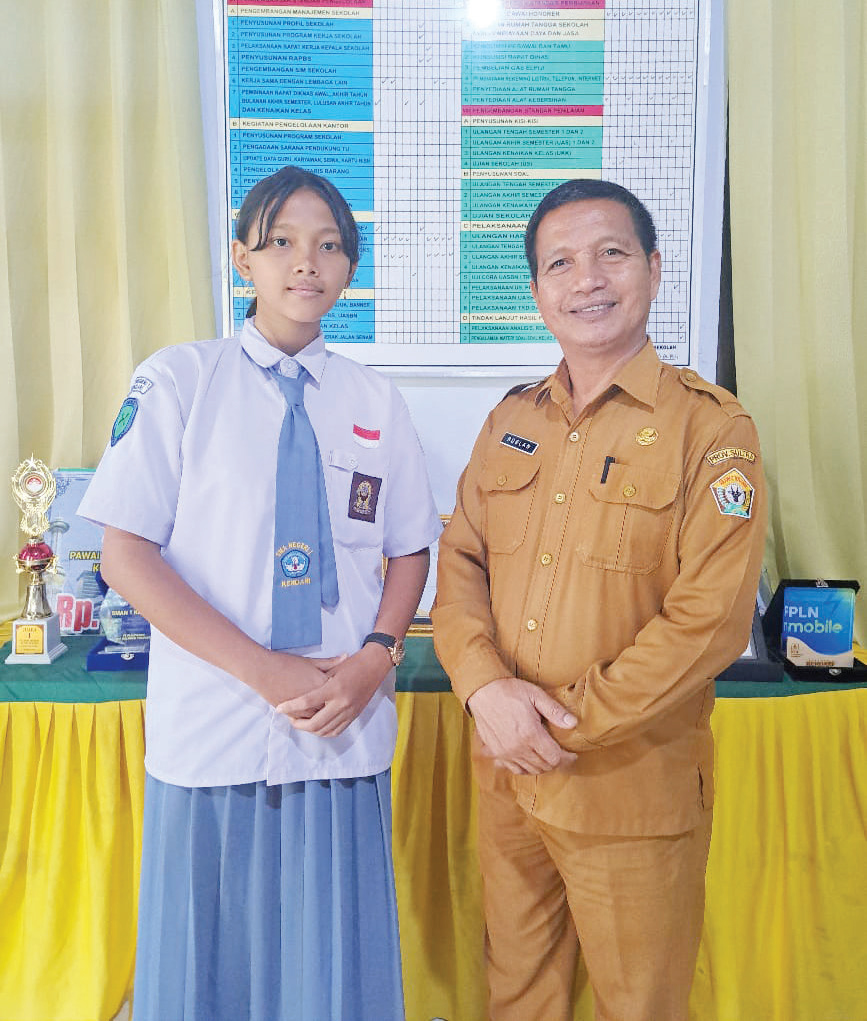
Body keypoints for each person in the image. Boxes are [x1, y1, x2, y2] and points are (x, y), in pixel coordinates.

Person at [79, 165, 441, 1021]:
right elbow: (125, 555)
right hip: (216, 719)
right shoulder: (178, 382)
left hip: (339, 720)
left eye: (327, 246)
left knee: (332, 965)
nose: (304, 262)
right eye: (280, 241)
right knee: (209, 960)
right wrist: (263, 671)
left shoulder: (374, 401)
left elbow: (408, 550)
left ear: (351, 270)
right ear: (242, 257)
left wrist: (375, 658)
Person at [432, 179, 767, 1021]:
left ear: (652, 270)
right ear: (538, 290)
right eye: (560, 262)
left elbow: (709, 621)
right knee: (517, 996)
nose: (586, 278)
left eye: (610, 253)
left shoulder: (711, 429)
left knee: (640, 1006)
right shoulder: (512, 419)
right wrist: (483, 689)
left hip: (628, 788)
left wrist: (553, 722)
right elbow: (460, 558)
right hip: (508, 777)